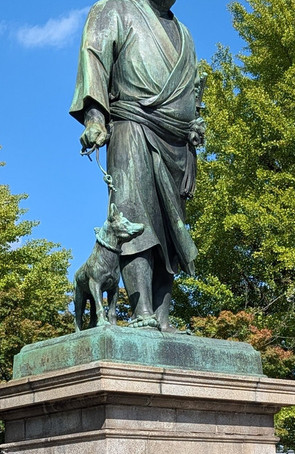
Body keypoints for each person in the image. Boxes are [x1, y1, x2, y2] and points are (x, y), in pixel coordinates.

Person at [71, 0, 203, 332]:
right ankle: (140, 308)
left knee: (172, 231)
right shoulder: (114, 8)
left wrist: (195, 123)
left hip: (177, 142)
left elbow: (193, 89)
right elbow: (95, 59)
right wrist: (95, 118)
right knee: (133, 215)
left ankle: (162, 314)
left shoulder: (183, 32)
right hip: (132, 124)